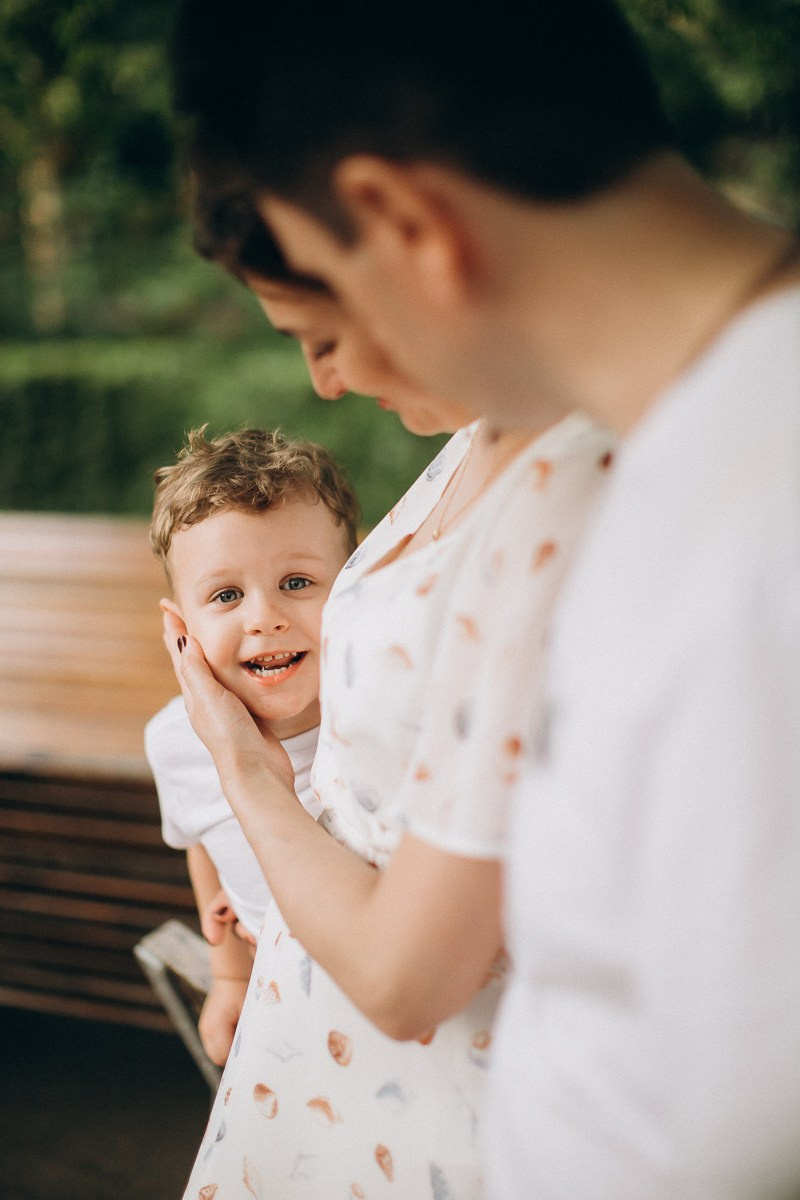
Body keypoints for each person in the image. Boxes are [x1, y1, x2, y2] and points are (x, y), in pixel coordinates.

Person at [168, 1, 800, 1197]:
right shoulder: (663, 434)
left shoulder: (728, 489)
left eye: (328, 310)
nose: (339, 370)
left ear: (404, 220)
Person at [161, 193, 615, 1194]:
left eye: (323, 335)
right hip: (310, 1080)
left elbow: (412, 979)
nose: (321, 384)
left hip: (437, 1113)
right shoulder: (477, 435)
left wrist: (244, 769)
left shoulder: (585, 473)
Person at [145, 425, 359, 1064]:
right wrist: (230, 975)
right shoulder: (176, 743)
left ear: (357, 583)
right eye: (227, 595)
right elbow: (202, 844)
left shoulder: (383, 719)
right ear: (179, 626)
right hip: (281, 1004)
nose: (263, 617)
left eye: (297, 582)